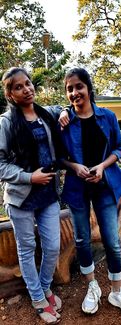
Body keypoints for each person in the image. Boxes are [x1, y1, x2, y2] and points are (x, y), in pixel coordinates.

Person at [58, 68, 121, 318]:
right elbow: (60, 157)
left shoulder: (108, 116)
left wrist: (102, 167)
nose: (75, 92)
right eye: (69, 89)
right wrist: (75, 166)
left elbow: (118, 148)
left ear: (89, 88)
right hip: (77, 187)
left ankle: (116, 291)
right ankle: (92, 286)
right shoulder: (64, 122)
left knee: (112, 242)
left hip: (104, 185)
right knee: (82, 239)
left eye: (79, 86)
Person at [0, 67, 62, 324]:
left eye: (28, 83)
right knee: (27, 249)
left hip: (47, 192)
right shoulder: (6, 122)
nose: (26, 89)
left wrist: (66, 111)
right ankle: (37, 297)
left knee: (52, 246)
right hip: (21, 197)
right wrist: (28, 177)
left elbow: (61, 109)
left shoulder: (45, 114)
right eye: (18, 87)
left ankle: (45, 286)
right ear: (10, 94)